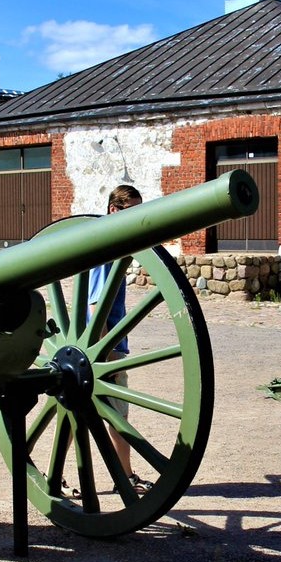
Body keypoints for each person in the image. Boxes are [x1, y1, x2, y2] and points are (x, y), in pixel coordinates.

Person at [87, 184, 154, 495]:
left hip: (106, 346)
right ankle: (124, 476)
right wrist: (107, 354)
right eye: (132, 210)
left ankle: (125, 475)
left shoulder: (112, 247)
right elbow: (94, 305)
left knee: (93, 413)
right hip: (103, 349)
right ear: (114, 210)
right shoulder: (106, 252)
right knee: (113, 413)